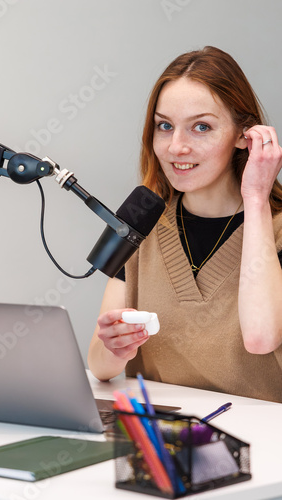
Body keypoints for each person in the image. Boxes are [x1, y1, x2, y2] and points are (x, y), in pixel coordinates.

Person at [87, 46, 282, 403]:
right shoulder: (141, 223)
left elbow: (260, 337)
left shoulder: (277, 229)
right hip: (160, 442)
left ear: (244, 135)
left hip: (262, 445)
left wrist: (256, 197)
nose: (177, 147)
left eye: (201, 127)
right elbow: (99, 366)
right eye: (165, 126)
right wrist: (115, 349)